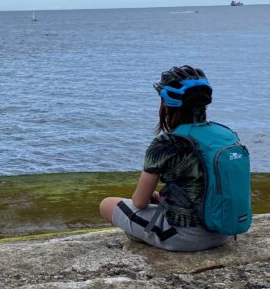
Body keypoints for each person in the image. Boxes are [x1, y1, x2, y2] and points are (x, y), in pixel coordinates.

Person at [98, 65, 232, 251]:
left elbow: (140, 202)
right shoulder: (225, 135)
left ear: (167, 105)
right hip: (223, 232)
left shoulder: (165, 144)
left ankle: (147, 235)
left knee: (107, 204)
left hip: (185, 238)